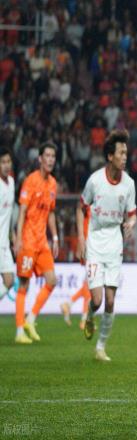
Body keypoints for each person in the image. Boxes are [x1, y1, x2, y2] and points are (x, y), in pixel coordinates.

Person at [76, 129, 136, 361]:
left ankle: (100, 347)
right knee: (98, 300)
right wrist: (81, 238)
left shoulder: (128, 184)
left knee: (110, 301)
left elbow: (132, 214)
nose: (125, 157)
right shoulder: (95, 181)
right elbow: (80, 208)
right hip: (94, 241)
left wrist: (130, 224)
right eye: (121, 153)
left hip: (114, 243)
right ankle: (90, 314)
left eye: (126, 153)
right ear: (110, 156)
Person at [14, 142, 59, 344]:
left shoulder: (53, 184)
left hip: (42, 242)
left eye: (53, 156)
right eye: (47, 156)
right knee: (24, 284)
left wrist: (55, 237)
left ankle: (30, 320)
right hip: (28, 241)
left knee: (52, 280)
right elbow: (22, 211)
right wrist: (18, 238)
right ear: (40, 159)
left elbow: (51, 212)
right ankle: (19, 331)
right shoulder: (30, 181)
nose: (50, 159)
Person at [60, 206, 91, 330]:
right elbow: (79, 210)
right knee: (91, 283)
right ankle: (84, 319)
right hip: (90, 243)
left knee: (89, 282)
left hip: (95, 243)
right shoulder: (91, 199)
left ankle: (68, 304)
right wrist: (81, 238)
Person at [0, 147, 16, 302]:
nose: (6, 165)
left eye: (8, 161)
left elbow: (9, 214)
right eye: (3, 162)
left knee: (9, 280)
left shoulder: (11, 183)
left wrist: (14, 236)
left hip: (4, 243)